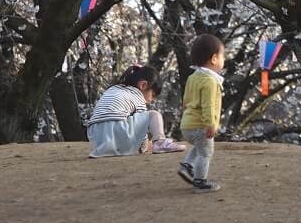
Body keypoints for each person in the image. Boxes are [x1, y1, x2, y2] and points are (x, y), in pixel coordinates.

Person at [86, 64, 185, 158]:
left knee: (126, 118)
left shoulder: (113, 90)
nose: (151, 100)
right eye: (153, 95)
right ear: (143, 85)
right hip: (118, 132)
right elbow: (141, 128)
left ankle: (107, 149)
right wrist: (144, 146)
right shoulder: (137, 95)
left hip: (96, 135)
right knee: (154, 114)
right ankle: (159, 142)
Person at [177, 33, 225, 193]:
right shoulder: (210, 81)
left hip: (187, 124)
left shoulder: (193, 77)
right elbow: (208, 105)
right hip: (200, 125)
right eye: (222, 55)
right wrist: (210, 124)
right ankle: (199, 181)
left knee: (200, 147)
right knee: (206, 152)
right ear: (213, 59)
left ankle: (187, 166)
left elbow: (185, 100)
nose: (223, 59)